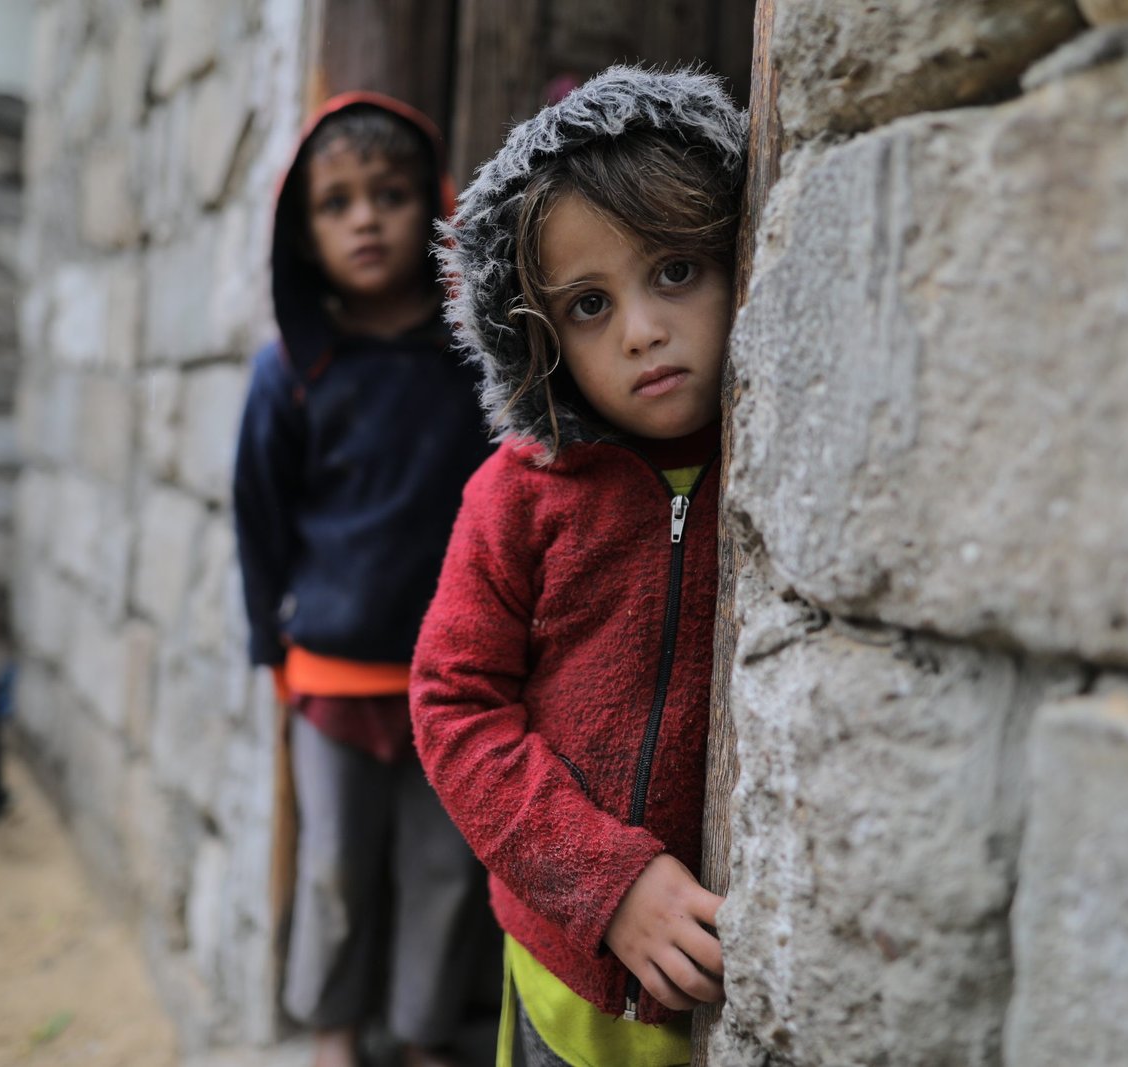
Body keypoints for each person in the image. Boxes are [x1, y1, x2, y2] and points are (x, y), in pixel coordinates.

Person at [409, 67, 747, 1067]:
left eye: (676, 272)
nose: (641, 330)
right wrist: (605, 882)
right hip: (567, 969)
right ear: (538, 335)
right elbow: (451, 702)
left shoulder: (776, 460)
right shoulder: (519, 494)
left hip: (723, 995)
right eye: (591, 304)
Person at [233, 93, 497, 1067]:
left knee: (442, 868)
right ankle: (334, 1030)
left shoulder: (474, 367)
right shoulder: (294, 374)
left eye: (388, 195)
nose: (364, 218)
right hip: (332, 678)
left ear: (431, 210)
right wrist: (275, 652)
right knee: (336, 865)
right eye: (335, 202)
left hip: (456, 681)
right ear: (303, 234)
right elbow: (257, 522)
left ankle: (424, 1031)